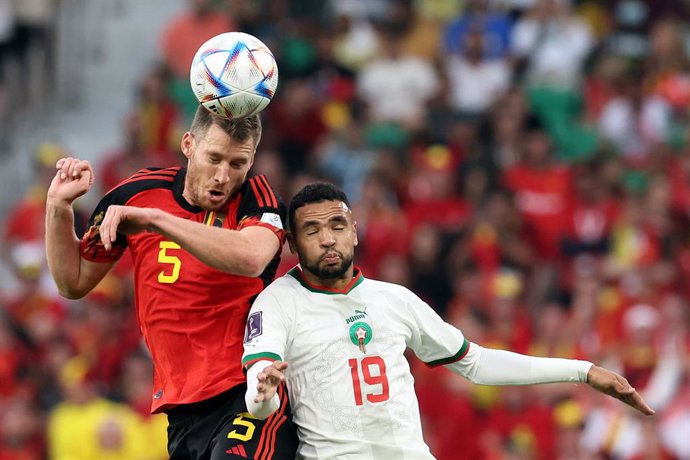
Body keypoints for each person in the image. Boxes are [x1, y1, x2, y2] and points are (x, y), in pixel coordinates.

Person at [242, 182, 655, 459]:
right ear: (292, 243)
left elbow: (475, 363)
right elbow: (259, 398)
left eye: (337, 225)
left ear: (355, 231)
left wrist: (583, 371)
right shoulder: (276, 303)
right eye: (312, 230)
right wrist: (263, 395)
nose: (328, 238)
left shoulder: (395, 299)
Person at [45, 106, 298, 459]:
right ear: (188, 144)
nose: (223, 176)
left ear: (252, 159)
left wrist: (155, 221)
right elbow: (72, 281)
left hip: (248, 392)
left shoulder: (257, 199)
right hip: (181, 408)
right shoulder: (138, 193)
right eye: (214, 158)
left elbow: (251, 258)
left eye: (237, 164)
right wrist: (59, 206)